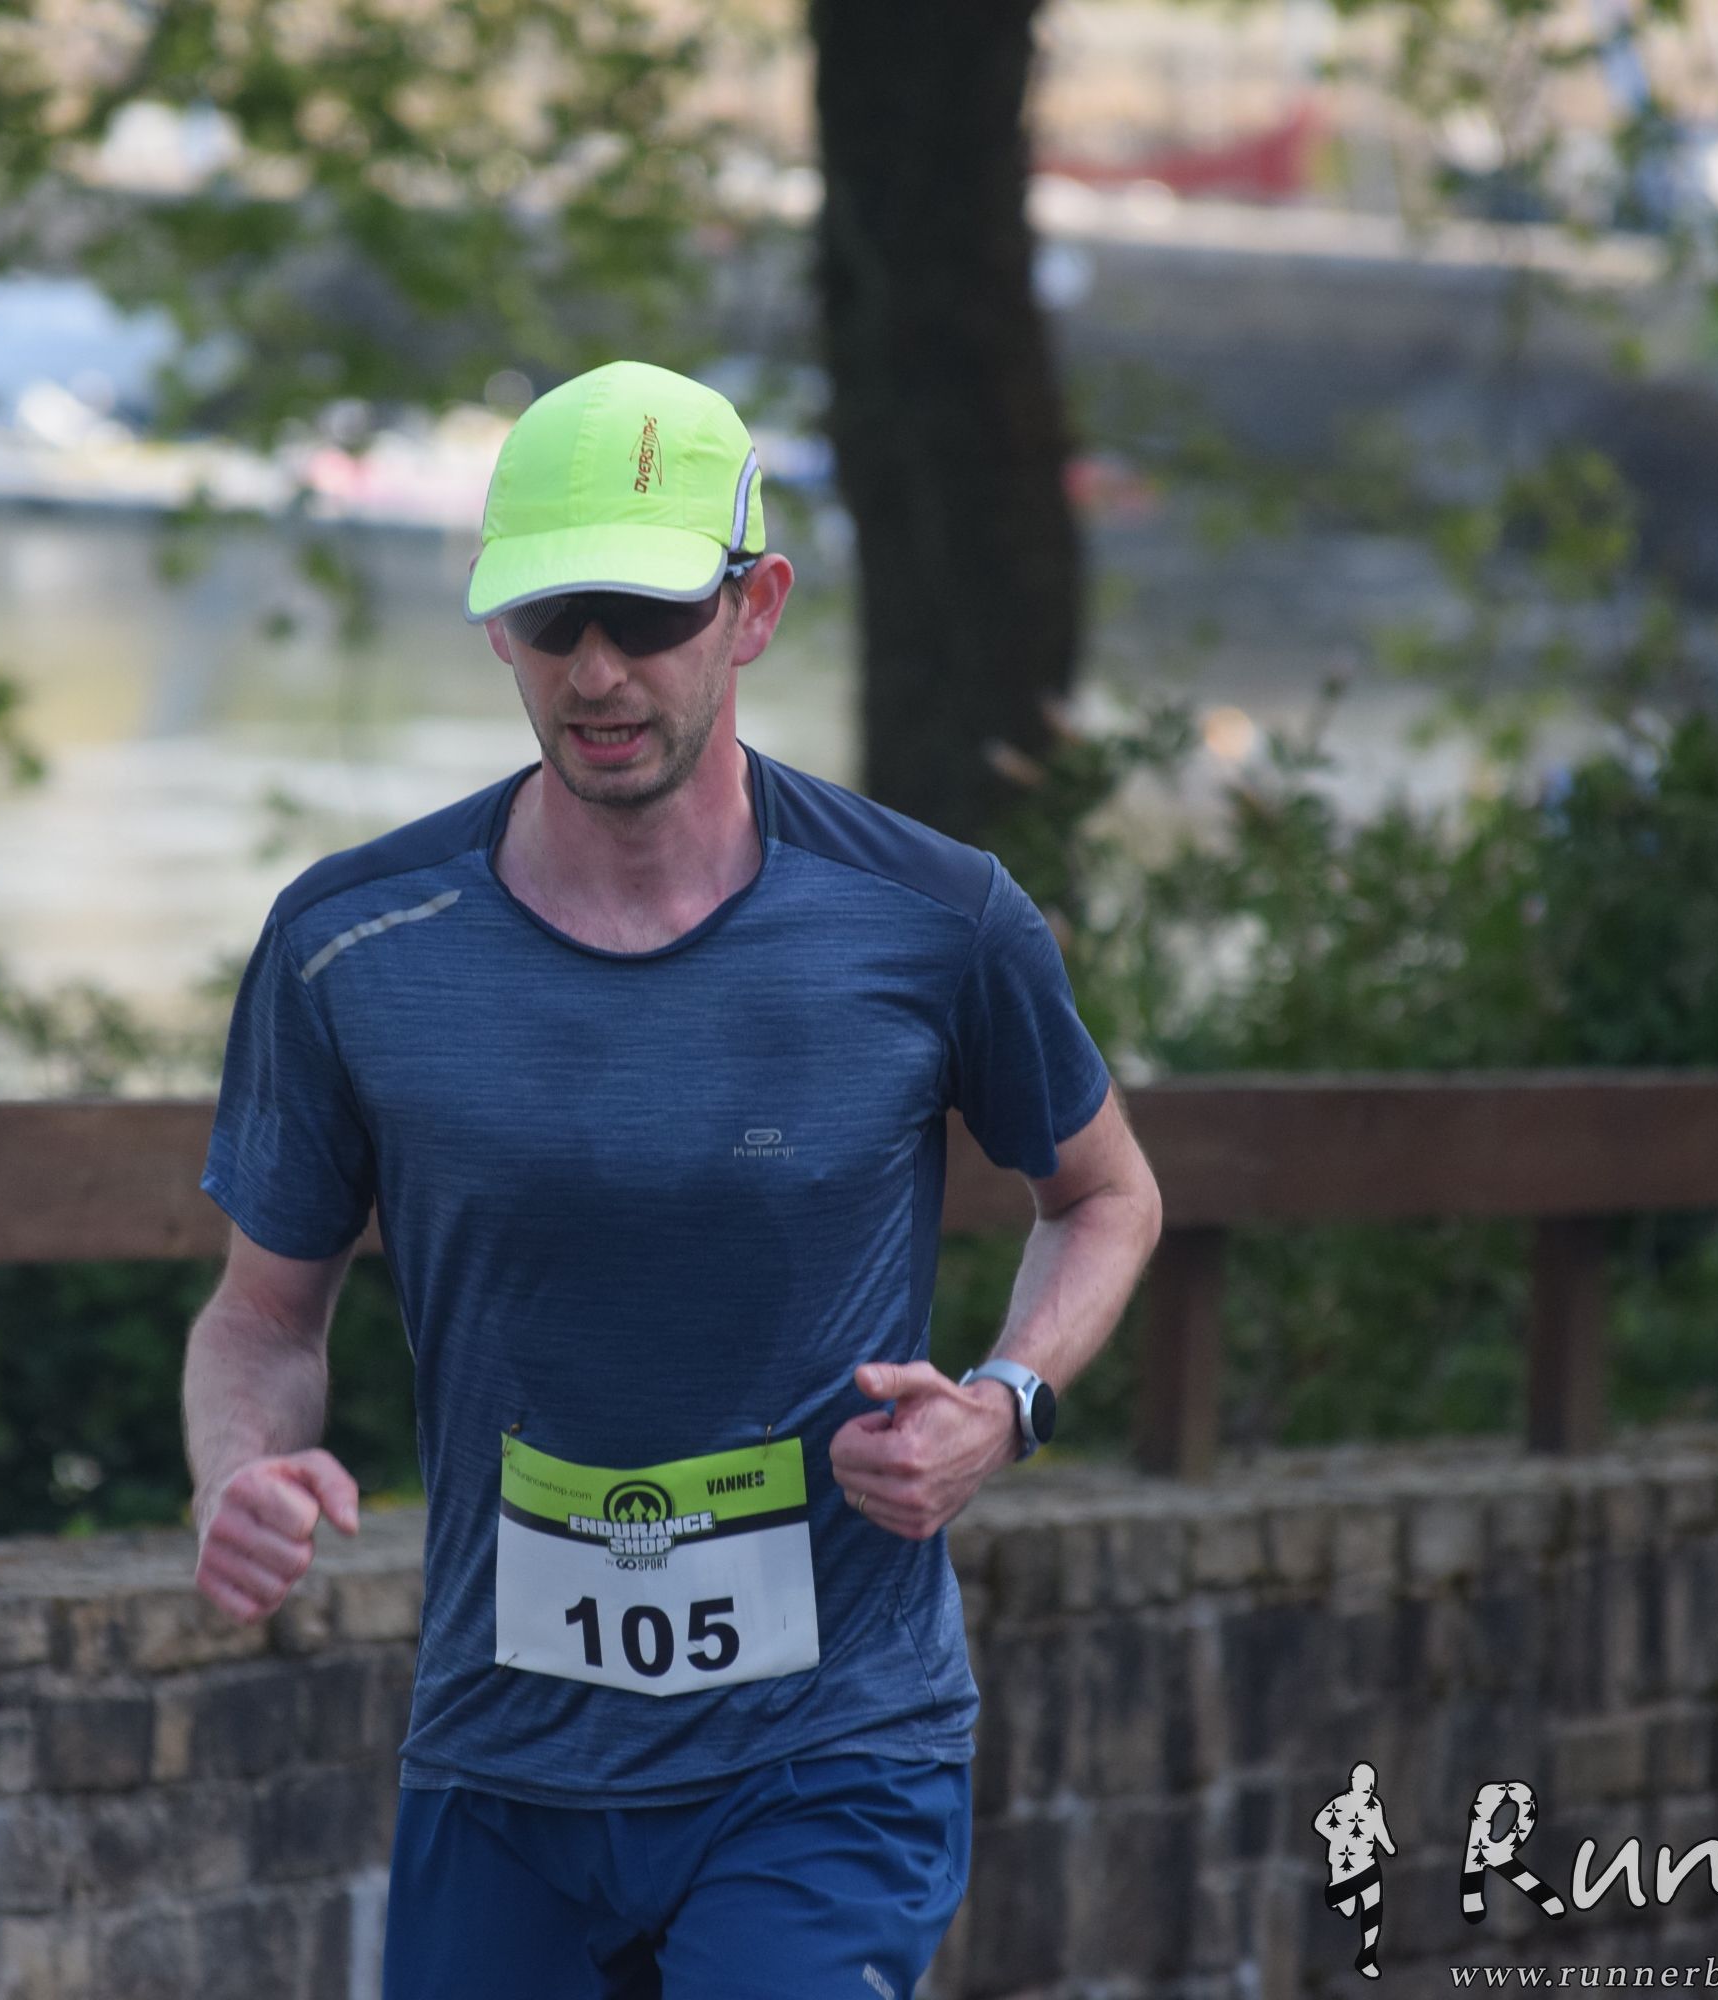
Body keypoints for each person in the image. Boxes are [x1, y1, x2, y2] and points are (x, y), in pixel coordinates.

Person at [182, 358, 1163, 1996]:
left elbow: (1108, 1198)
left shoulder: (933, 921)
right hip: (502, 1766)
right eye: (550, 616)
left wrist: (1003, 1404)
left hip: (828, 1754)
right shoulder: (353, 944)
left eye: (644, 616)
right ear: (496, 625)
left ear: (752, 607)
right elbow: (260, 1322)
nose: (595, 668)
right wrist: (236, 1475)